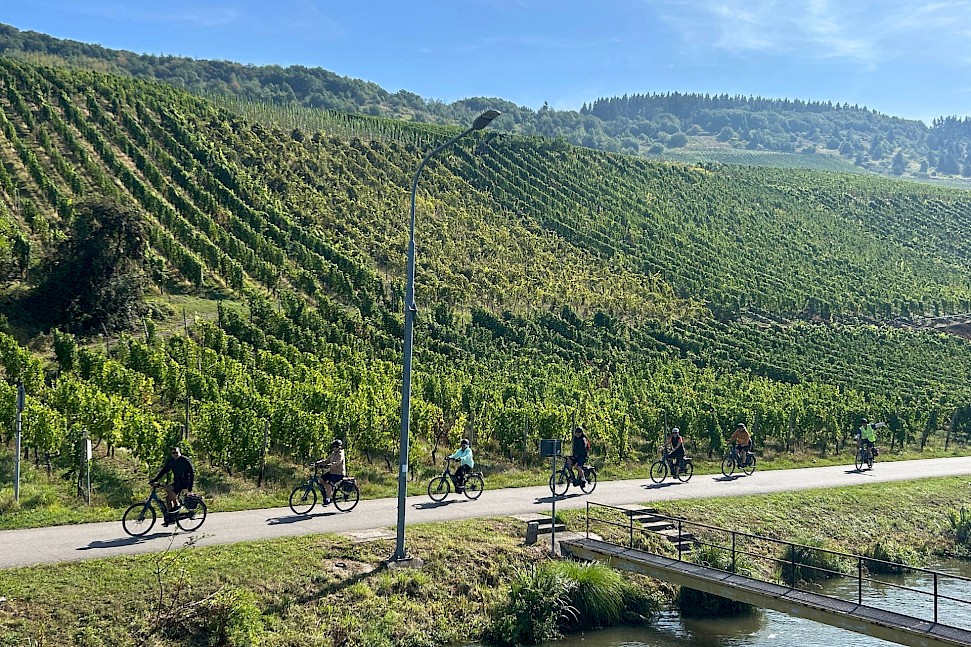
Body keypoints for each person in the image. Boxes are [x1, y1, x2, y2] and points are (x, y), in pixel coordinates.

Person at [150, 445, 194, 525]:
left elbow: (192, 473)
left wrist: (190, 487)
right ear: (171, 454)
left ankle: (178, 506)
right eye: (173, 453)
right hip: (177, 482)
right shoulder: (171, 461)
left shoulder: (185, 460)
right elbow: (164, 471)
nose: (175, 454)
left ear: (179, 452)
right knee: (168, 499)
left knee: (168, 489)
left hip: (184, 482)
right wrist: (154, 480)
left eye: (176, 452)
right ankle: (171, 518)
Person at [315, 439, 346, 505]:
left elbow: (337, 462)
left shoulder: (341, 454)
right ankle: (329, 491)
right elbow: (327, 460)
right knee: (321, 479)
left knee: (329, 484)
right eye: (334, 446)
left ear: (339, 447)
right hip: (332, 472)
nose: (335, 448)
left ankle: (328, 500)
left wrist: (330, 465)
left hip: (339, 473)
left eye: (336, 446)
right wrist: (318, 463)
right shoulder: (333, 454)